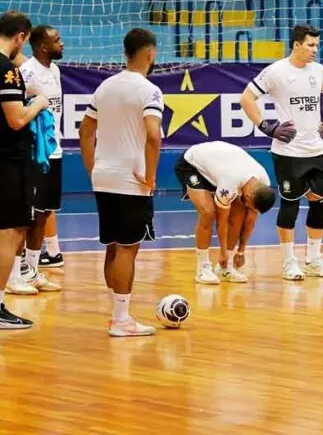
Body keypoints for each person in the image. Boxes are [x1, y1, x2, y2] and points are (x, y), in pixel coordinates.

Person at [79, 28, 163, 336]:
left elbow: (85, 131)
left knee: (113, 248)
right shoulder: (149, 91)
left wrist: (93, 168)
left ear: (125, 52)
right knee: (127, 249)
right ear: (150, 54)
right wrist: (151, 175)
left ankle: (117, 312)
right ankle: (121, 320)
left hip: (104, 176)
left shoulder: (105, 86)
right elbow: (153, 135)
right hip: (131, 180)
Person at [241, 24, 323, 281]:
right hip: (289, 151)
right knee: (290, 205)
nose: (315, 49)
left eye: (317, 45)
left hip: (316, 149)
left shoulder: (320, 71)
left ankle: (314, 259)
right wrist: (266, 127)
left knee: (320, 204)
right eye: (310, 45)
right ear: (296, 44)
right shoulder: (276, 71)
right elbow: (246, 99)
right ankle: (289, 262)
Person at [0, 11, 49, 328]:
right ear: (20, 37)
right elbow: (17, 119)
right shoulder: (6, 71)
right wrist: (39, 103)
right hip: (7, 161)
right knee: (10, 232)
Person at [174, 141, 278, 284]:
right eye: (250, 206)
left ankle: (224, 268)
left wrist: (241, 251)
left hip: (219, 167)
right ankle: (203, 268)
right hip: (192, 164)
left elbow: (250, 221)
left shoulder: (263, 183)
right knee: (208, 212)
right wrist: (223, 252)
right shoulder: (230, 183)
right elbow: (222, 221)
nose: (250, 209)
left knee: (239, 215)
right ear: (248, 196)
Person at [20, 25, 66, 285]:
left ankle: (32, 269)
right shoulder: (27, 72)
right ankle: (19, 271)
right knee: (30, 215)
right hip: (34, 154)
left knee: (45, 213)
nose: (62, 43)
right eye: (57, 40)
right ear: (42, 46)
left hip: (54, 151)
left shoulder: (55, 70)